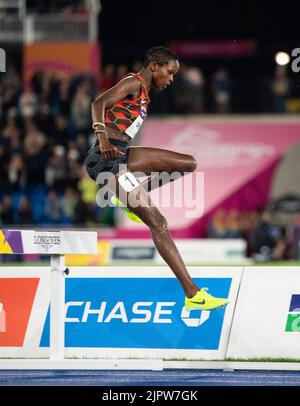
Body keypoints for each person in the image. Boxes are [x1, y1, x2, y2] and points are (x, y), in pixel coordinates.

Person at [85, 46, 229, 311]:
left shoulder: (144, 94)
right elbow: (98, 103)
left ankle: (127, 196)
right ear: (154, 65)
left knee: (187, 163)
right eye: (170, 72)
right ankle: (193, 294)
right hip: (105, 159)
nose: (172, 78)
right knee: (159, 223)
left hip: (121, 156)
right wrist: (102, 138)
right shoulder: (133, 82)